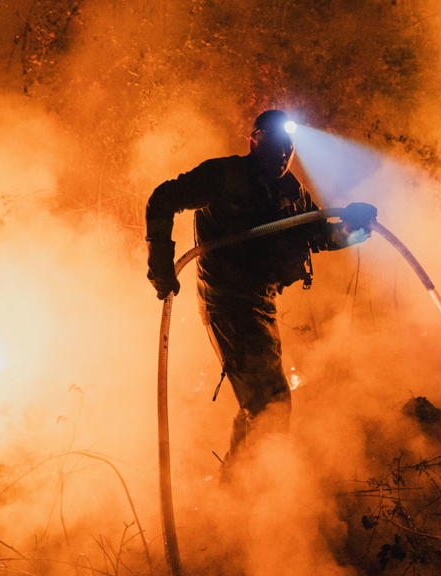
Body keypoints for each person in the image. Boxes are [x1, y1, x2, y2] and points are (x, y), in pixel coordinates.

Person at [145, 109, 377, 479]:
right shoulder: (223, 176)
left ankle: (235, 491)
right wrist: (159, 256)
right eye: (274, 146)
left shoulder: (291, 192)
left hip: (260, 303)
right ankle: (261, 495)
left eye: (288, 148)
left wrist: (354, 227)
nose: (283, 155)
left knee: (258, 399)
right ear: (254, 140)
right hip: (226, 300)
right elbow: (163, 198)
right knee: (271, 402)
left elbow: (320, 236)